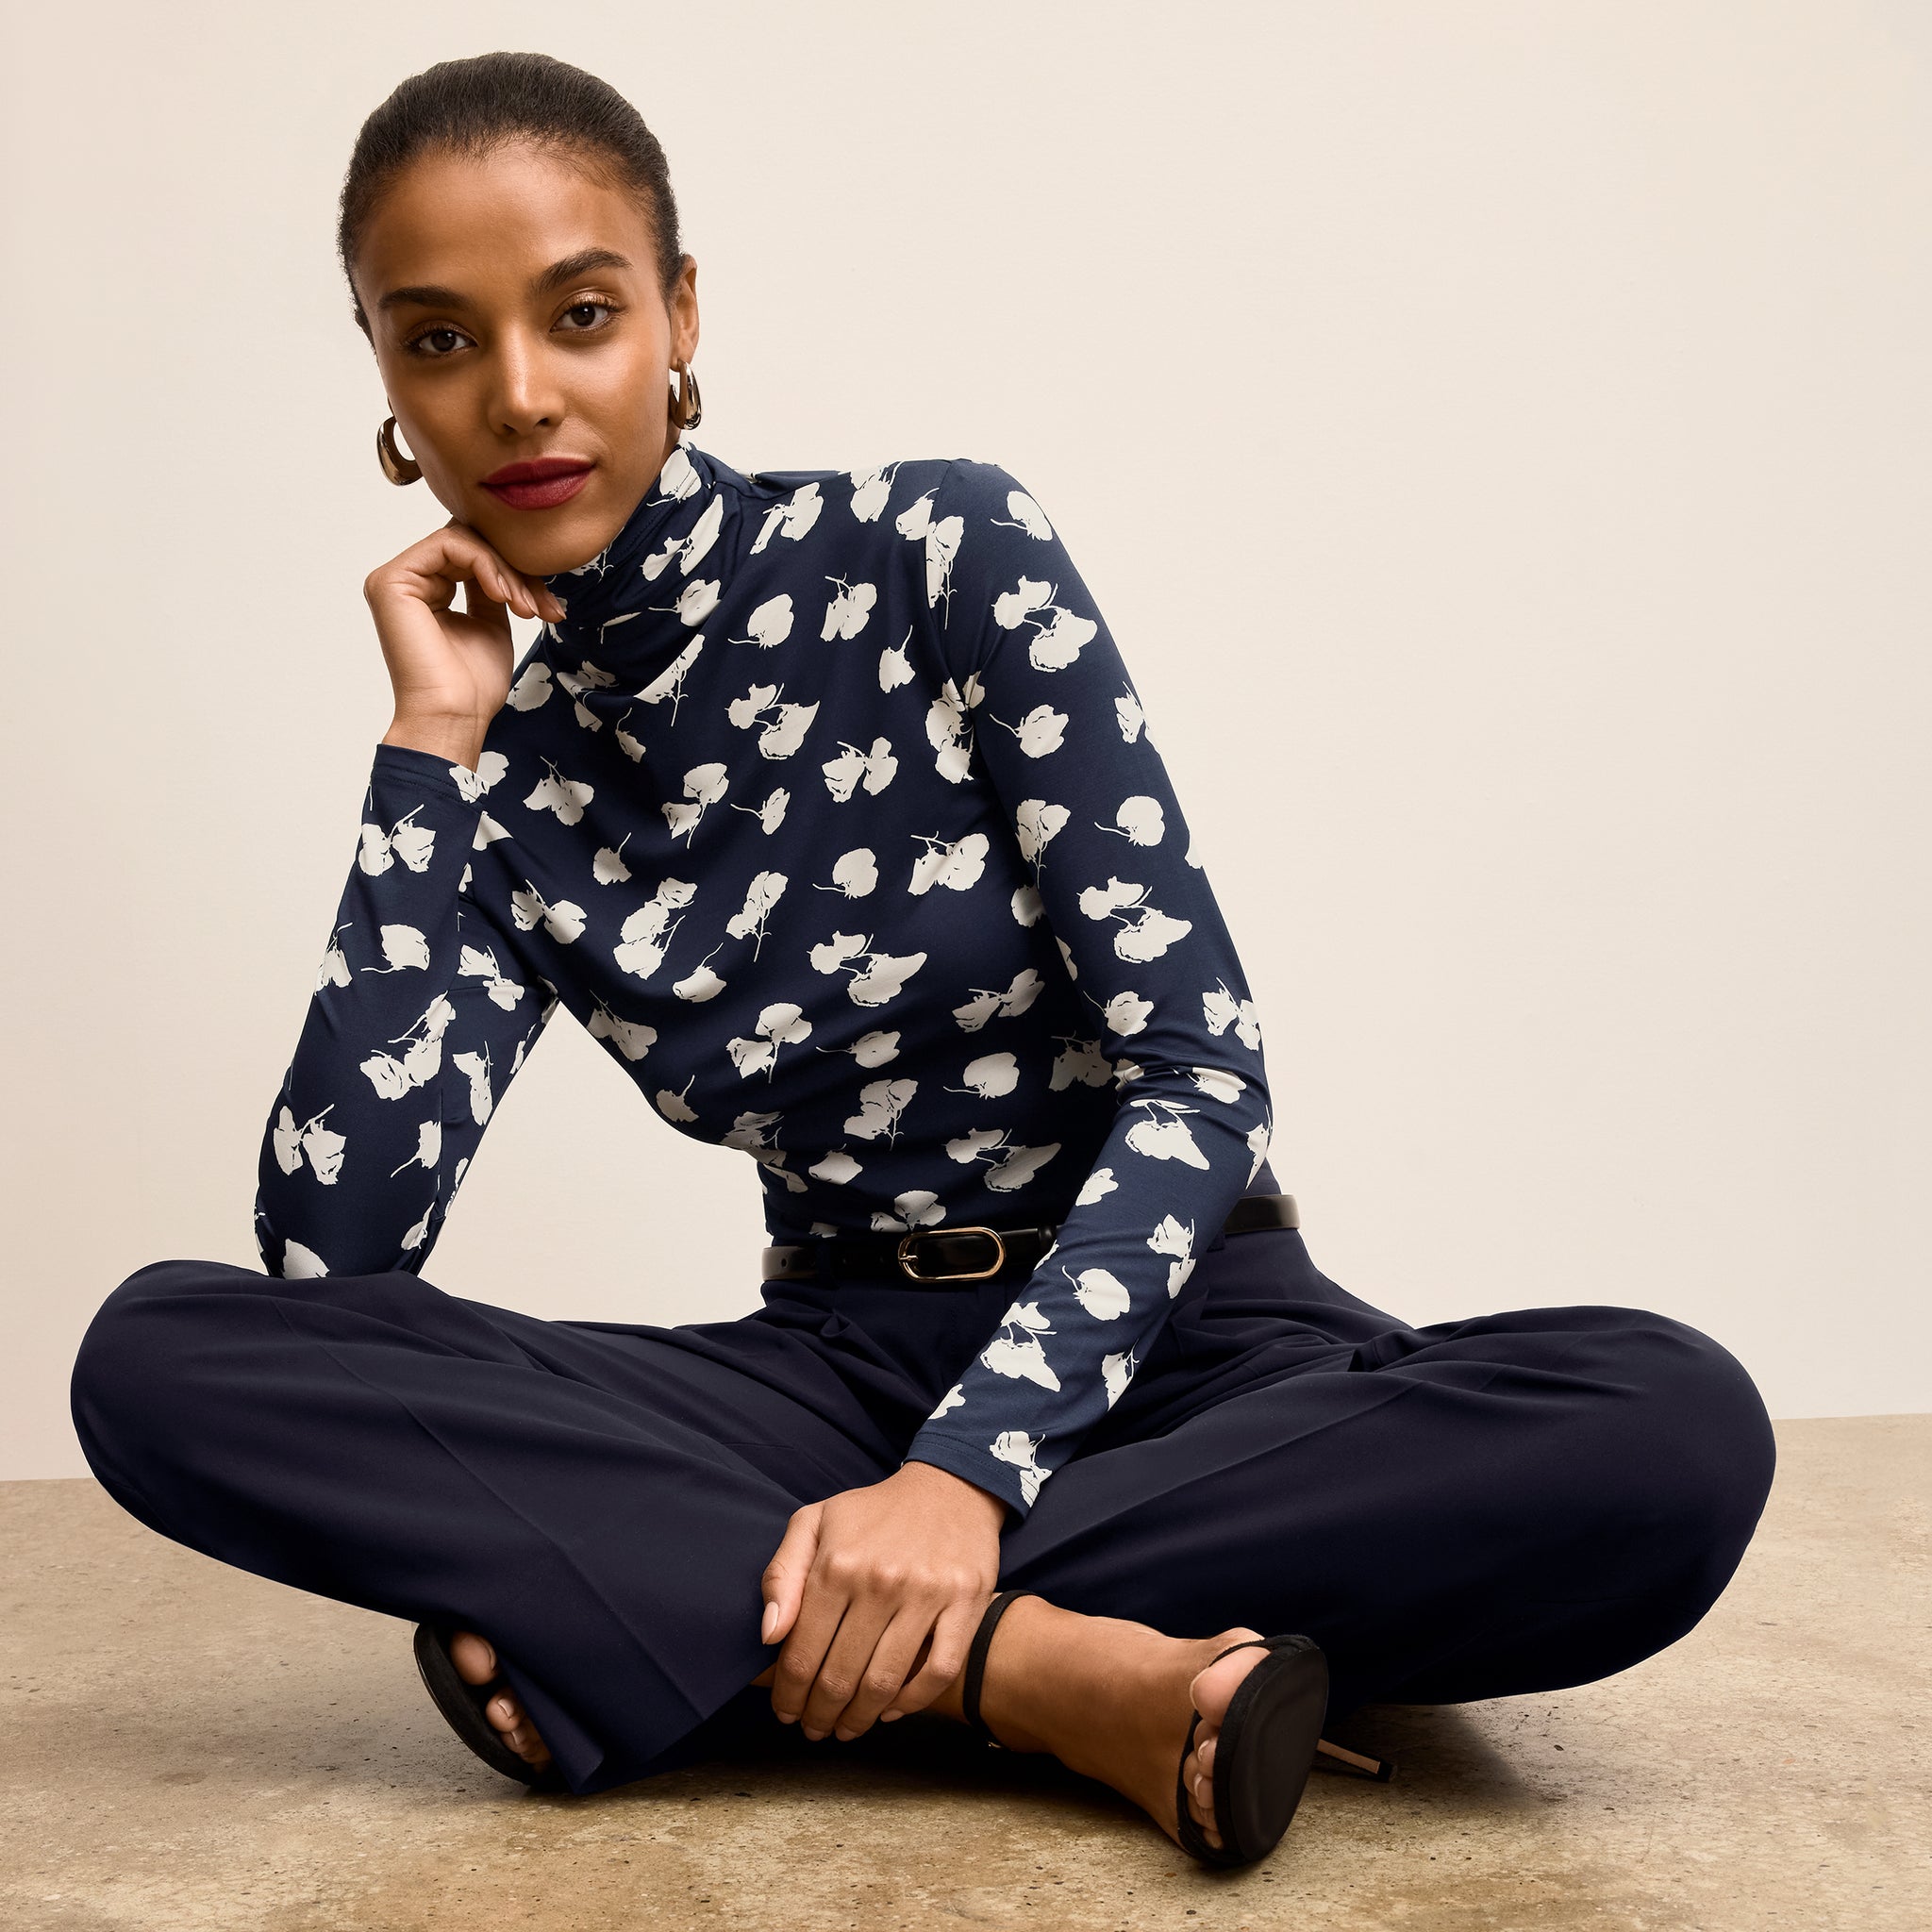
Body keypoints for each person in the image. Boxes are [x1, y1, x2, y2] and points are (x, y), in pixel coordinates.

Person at [68, 51, 1775, 1869]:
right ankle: (1029, 1673)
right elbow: (335, 1269)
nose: (520, 394)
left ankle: (686, 1620)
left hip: (1190, 1341)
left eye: (581, 313)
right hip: (830, 1370)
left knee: (1664, 1426)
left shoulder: (934, 549)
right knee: (163, 1353)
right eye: (436, 340)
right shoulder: (504, 770)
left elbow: (1200, 1076)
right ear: (386, 384)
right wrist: (431, 751)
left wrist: (967, 1480)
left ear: (679, 315)